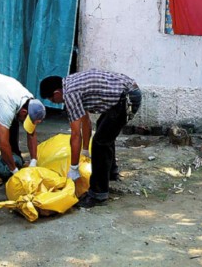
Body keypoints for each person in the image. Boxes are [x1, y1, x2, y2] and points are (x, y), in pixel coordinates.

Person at [39, 69, 142, 208]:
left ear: (57, 93)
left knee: (100, 143)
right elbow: (85, 121)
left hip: (127, 98)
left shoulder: (70, 94)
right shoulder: (71, 84)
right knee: (103, 129)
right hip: (126, 91)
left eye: (52, 100)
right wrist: (85, 150)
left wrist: (74, 167)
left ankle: (98, 194)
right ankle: (111, 173)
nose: (55, 103)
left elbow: (75, 135)